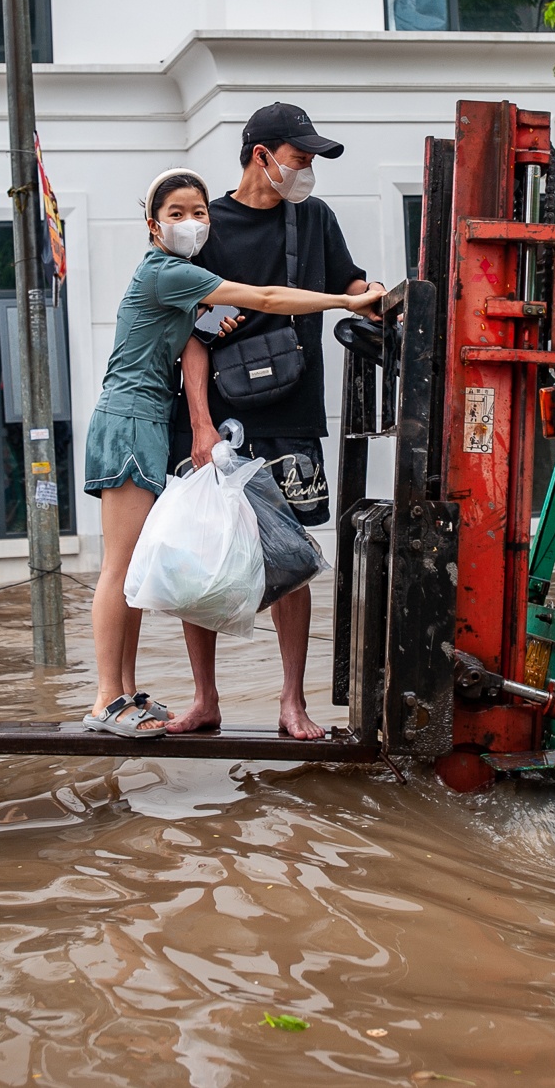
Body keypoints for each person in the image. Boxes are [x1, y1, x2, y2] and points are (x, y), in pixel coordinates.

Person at [82, 168, 381, 738]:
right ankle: (104, 699)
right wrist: (348, 301)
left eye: (199, 212)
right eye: (177, 214)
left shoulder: (183, 279)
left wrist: (220, 322)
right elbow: (267, 296)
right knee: (120, 569)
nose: (192, 222)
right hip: (128, 418)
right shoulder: (165, 271)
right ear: (153, 226)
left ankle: (125, 695)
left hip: (148, 417)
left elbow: (204, 330)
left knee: (135, 573)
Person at [167, 102, 385, 741]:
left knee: (292, 560)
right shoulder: (210, 228)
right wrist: (201, 426)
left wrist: (373, 293)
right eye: (300, 157)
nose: (309, 169)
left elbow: (350, 284)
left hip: (292, 414)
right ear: (261, 155)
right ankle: (205, 699)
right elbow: (193, 337)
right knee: (199, 556)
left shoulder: (314, 219)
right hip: (217, 417)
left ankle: (293, 703)